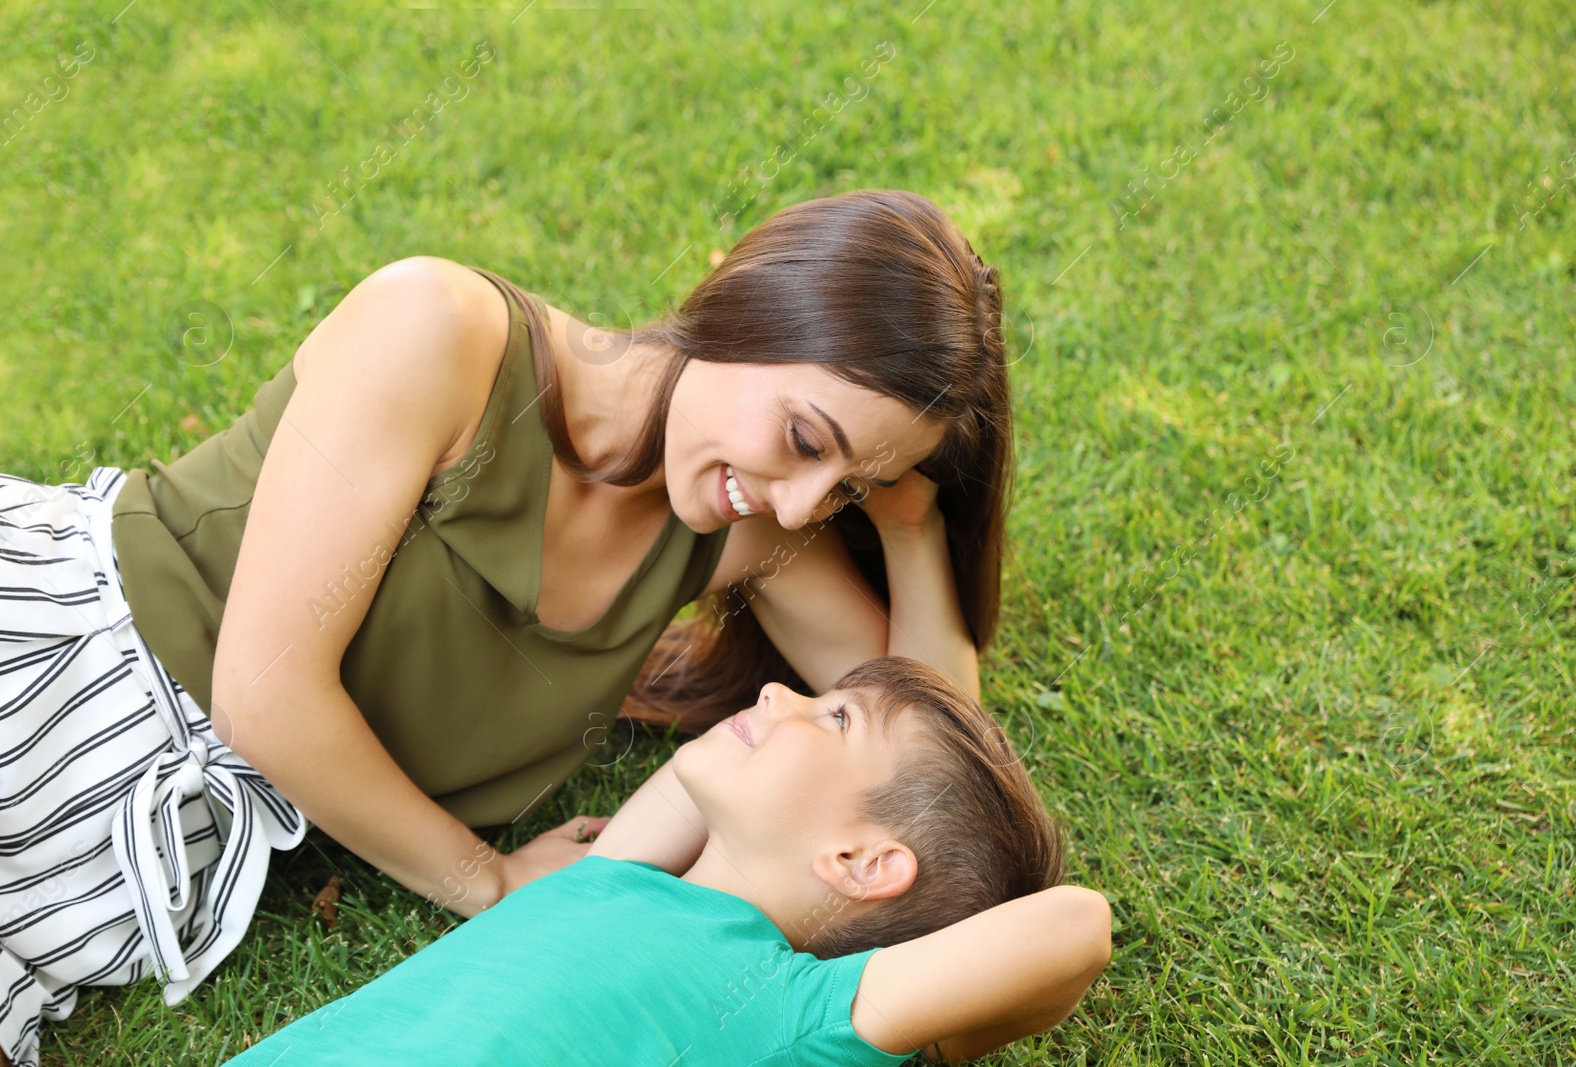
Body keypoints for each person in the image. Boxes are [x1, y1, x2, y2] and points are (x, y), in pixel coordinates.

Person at [0, 189, 1016, 1067]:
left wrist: (911, 518)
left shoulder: (732, 531)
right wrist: (487, 877)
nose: (801, 507)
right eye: (804, 439)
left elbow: (926, 764)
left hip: (155, 828)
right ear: (745, 302)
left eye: (848, 486)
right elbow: (262, 692)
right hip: (70, 657)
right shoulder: (438, 330)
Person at [225, 657, 1112, 1066]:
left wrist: (956, 1031)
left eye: (835, 717)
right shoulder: (617, 874)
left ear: (862, 861)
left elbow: (1076, 922)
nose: (776, 691)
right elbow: (694, 783)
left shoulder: (794, 1008)